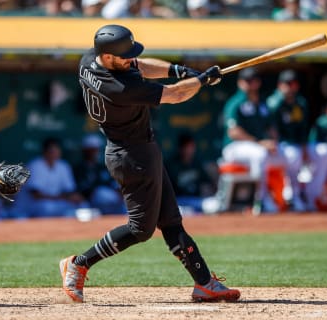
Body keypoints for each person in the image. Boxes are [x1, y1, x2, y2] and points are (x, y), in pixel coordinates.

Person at [60, 24, 239, 303]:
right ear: (108, 58)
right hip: (131, 157)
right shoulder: (120, 87)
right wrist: (202, 81)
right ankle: (79, 263)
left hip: (141, 151)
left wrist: (178, 71)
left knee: (170, 220)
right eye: (124, 56)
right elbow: (176, 95)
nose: (131, 59)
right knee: (140, 230)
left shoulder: (89, 59)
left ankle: (204, 283)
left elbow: (140, 65)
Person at [221, 67, 284, 213]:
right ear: (240, 83)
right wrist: (260, 142)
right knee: (260, 154)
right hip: (234, 148)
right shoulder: (235, 103)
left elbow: (271, 128)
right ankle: (260, 201)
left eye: (253, 80)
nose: (250, 84)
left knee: (291, 156)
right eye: (247, 81)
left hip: (258, 147)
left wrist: (273, 141)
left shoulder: (262, 103)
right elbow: (233, 132)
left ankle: (294, 198)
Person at [267, 69, 309, 211]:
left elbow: (303, 129)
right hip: (280, 146)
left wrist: (305, 148)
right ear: (280, 85)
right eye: (287, 84)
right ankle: (293, 194)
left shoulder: (300, 102)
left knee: (324, 153)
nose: (290, 87)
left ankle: (311, 196)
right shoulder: (274, 103)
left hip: (297, 144)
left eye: (293, 83)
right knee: (293, 153)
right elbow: (270, 129)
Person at [11, 137, 86, 218]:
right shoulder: (35, 165)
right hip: (30, 206)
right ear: (45, 152)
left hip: (55, 202)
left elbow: (69, 190)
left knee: (83, 205)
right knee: (46, 207)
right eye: (52, 151)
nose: (55, 153)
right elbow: (36, 195)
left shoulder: (63, 166)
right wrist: (63, 197)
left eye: (57, 150)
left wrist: (74, 197)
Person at [73, 134, 125, 214]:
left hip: (107, 202)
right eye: (92, 149)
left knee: (122, 203)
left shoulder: (103, 167)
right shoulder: (78, 169)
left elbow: (113, 184)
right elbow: (77, 189)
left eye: (96, 149)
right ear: (85, 150)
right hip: (87, 201)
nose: (95, 152)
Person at [165, 133, 214, 214]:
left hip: (196, 201)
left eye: (192, 147)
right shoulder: (171, 165)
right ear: (181, 148)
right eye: (187, 147)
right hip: (179, 201)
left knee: (213, 206)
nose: (190, 150)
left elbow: (208, 182)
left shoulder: (196, 163)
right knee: (181, 211)